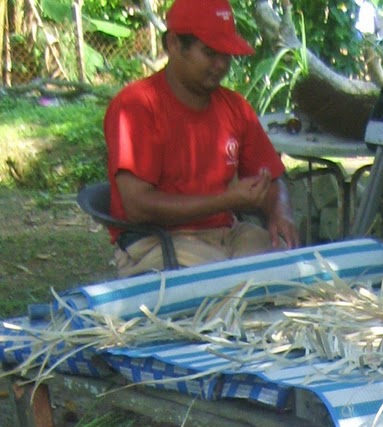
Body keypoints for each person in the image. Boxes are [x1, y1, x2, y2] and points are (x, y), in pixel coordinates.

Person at [103, 0, 299, 277]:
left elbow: (272, 179)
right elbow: (137, 207)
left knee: (295, 275)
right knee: (230, 291)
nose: (221, 65)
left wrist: (281, 212)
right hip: (157, 242)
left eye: (227, 55)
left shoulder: (235, 107)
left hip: (225, 235)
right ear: (173, 44)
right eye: (210, 53)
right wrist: (226, 200)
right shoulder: (136, 106)